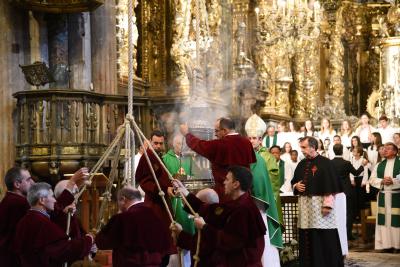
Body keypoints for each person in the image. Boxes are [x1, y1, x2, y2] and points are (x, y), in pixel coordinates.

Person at [173, 166, 266, 267]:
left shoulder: (244, 209)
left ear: (236, 184)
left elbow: (229, 242)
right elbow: (210, 210)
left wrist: (204, 227)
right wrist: (185, 192)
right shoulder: (239, 203)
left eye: (227, 179)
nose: (224, 182)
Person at [291, 137, 343, 267]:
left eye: (303, 147)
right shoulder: (301, 163)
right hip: (305, 207)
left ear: (313, 147)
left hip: (320, 207)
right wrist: (296, 186)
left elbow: (331, 186)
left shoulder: (326, 163)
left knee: (323, 236)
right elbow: (294, 181)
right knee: (307, 234)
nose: (301, 150)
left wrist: (328, 205)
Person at [14, 182, 94, 267]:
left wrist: (64, 215)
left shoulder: (25, 220)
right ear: (42, 200)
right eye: (52, 196)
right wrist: (89, 240)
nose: (55, 200)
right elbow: (63, 250)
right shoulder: (41, 222)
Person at [179, 117, 256, 200]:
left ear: (225, 131)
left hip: (226, 194)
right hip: (243, 194)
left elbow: (199, 145)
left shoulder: (220, 144)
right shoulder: (247, 142)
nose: (215, 134)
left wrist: (187, 134)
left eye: (216, 131)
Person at [96, 187, 171, 267]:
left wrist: (95, 236)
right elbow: (165, 245)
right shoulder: (155, 216)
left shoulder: (122, 218)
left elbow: (103, 243)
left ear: (123, 199)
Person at [245, 114, 283, 267]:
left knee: (264, 238)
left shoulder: (266, 157)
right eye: (249, 138)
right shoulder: (246, 155)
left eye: (254, 138)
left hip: (262, 203)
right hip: (248, 203)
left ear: (260, 139)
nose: (251, 141)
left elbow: (273, 182)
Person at [135, 130, 176, 266]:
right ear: (150, 142)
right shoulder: (147, 157)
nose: (158, 146)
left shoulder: (159, 156)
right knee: (156, 244)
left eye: (160, 143)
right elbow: (144, 180)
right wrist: (164, 190)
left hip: (164, 206)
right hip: (154, 205)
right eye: (155, 143)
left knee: (165, 243)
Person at [162, 134, 195, 267]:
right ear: (173, 144)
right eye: (178, 144)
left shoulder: (189, 159)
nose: (181, 147)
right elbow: (164, 180)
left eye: (183, 144)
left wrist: (188, 179)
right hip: (173, 199)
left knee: (187, 232)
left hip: (186, 198)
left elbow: (193, 176)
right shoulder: (165, 158)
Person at [171, 188, 220, 267]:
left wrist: (180, 233)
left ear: (204, 205)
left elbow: (200, 247)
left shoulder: (212, 225)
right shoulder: (210, 220)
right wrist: (180, 232)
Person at [0, 167, 35, 266]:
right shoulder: (20, 203)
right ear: (17, 184)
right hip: (15, 259)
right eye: (28, 180)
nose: (32, 183)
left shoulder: (7, 200)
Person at [369, 143, 400, 251]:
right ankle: (386, 245)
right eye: (384, 149)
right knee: (384, 221)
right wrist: (382, 181)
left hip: (397, 195)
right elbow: (372, 179)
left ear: (395, 151)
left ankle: (397, 245)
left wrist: (393, 181)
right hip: (383, 195)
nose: (385, 150)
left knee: (397, 221)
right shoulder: (379, 165)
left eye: (388, 149)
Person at [331, 144, 364, 241]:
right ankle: (347, 234)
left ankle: (336, 235)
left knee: (335, 214)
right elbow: (356, 173)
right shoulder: (346, 163)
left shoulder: (330, 163)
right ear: (342, 151)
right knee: (349, 214)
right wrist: (363, 166)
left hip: (334, 191)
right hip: (347, 191)